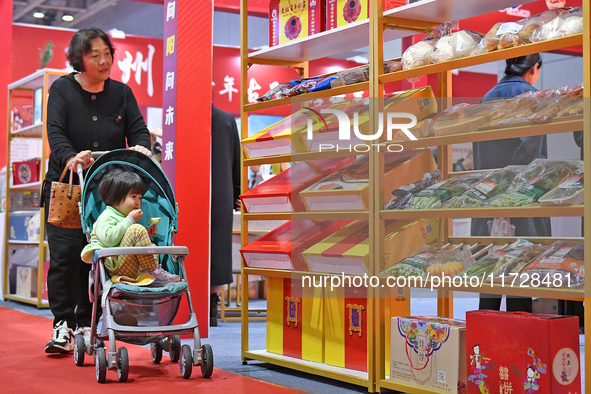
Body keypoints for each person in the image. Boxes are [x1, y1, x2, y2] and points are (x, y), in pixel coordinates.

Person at [43, 27, 153, 353]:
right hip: (68, 186)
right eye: (95, 55)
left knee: (99, 256)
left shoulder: (122, 93)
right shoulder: (62, 89)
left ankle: (85, 322)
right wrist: (70, 156)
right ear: (80, 59)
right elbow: (56, 132)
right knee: (65, 257)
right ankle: (63, 325)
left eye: (107, 53)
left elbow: (139, 130)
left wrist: (143, 148)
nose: (104, 61)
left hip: (108, 193)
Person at [472, 54, 548, 313]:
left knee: (489, 273)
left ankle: (483, 342)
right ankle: (519, 344)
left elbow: (479, 153)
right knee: (520, 273)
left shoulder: (486, 96)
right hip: (521, 198)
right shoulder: (533, 97)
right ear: (534, 68)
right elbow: (530, 149)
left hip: (487, 195)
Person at [80, 169, 180, 285]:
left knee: (147, 240)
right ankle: (152, 271)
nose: (138, 202)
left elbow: (124, 238)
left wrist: (145, 234)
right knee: (136, 229)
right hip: (117, 268)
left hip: (131, 266)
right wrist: (130, 221)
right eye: (133, 196)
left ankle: (152, 270)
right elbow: (110, 239)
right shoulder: (106, 217)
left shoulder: (124, 217)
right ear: (115, 197)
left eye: (140, 198)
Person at [210, 105, 241, 326]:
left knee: (193, 245)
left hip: (191, 191)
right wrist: (237, 191)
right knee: (219, 246)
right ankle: (212, 305)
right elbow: (236, 158)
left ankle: (200, 304)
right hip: (222, 190)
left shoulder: (183, 116)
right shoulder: (226, 119)